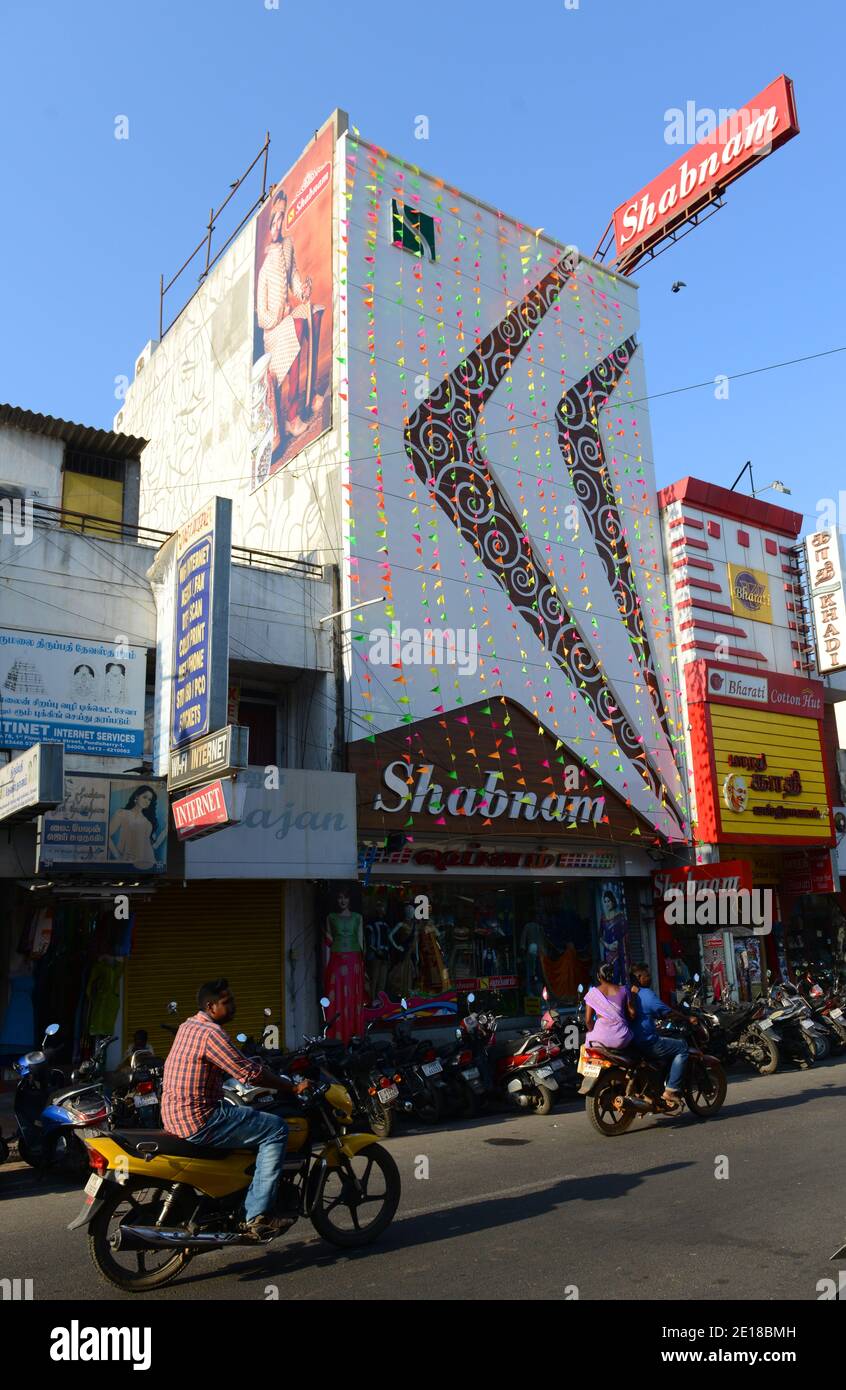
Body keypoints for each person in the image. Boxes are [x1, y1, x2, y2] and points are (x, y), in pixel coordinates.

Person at [161, 979, 308, 1241]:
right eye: (227, 1002)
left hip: (174, 1115)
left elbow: (235, 1062)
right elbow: (247, 1073)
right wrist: (290, 1087)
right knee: (276, 1129)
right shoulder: (212, 1034)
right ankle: (257, 1215)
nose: (234, 1007)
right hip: (199, 1119)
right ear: (211, 1005)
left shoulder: (189, 1025)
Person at [256, 184, 323, 459]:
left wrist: (303, 290)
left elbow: (294, 278)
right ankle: (292, 414)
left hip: (287, 317)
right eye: (275, 219)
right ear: (270, 223)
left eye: (282, 217)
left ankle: (311, 392)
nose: (278, 224)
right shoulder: (263, 267)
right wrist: (279, 315)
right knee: (295, 328)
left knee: (316, 312)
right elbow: (262, 316)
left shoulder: (289, 244)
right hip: (273, 329)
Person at [629, 962, 696, 1106]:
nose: (650, 978)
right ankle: (671, 1090)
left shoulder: (627, 992)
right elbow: (668, 1012)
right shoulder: (646, 995)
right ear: (639, 977)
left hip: (630, 1041)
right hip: (646, 1041)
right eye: (647, 976)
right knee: (682, 1047)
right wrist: (687, 1018)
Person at [108, 785, 167, 869]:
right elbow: (107, 835)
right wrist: (118, 856)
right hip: (128, 862)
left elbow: (152, 845)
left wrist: (165, 831)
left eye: (149, 799)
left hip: (149, 862)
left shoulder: (148, 821)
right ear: (137, 797)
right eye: (145, 797)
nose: (147, 801)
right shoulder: (122, 813)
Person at [584, 962, 635, 1051]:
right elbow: (632, 1014)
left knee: (585, 1048)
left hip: (599, 1041)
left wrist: (593, 1031)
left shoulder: (592, 993)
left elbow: (588, 1021)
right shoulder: (624, 990)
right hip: (622, 1039)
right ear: (612, 974)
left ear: (598, 976)